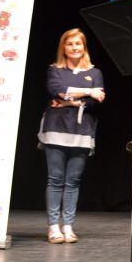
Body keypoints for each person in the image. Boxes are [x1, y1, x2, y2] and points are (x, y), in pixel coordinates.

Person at [37, 28, 105, 244]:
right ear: (63, 47)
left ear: (83, 47)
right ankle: (53, 227)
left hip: (82, 131)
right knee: (55, 179)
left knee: (73, 181)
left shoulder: (95, 73)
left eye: (78, 44)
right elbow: (56, 89)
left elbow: (97, 100)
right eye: (70, 44)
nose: (74, 47)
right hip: (56, 129)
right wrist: (86, 92)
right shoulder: (54, 69)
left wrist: (68, 100)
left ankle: (68, 226)